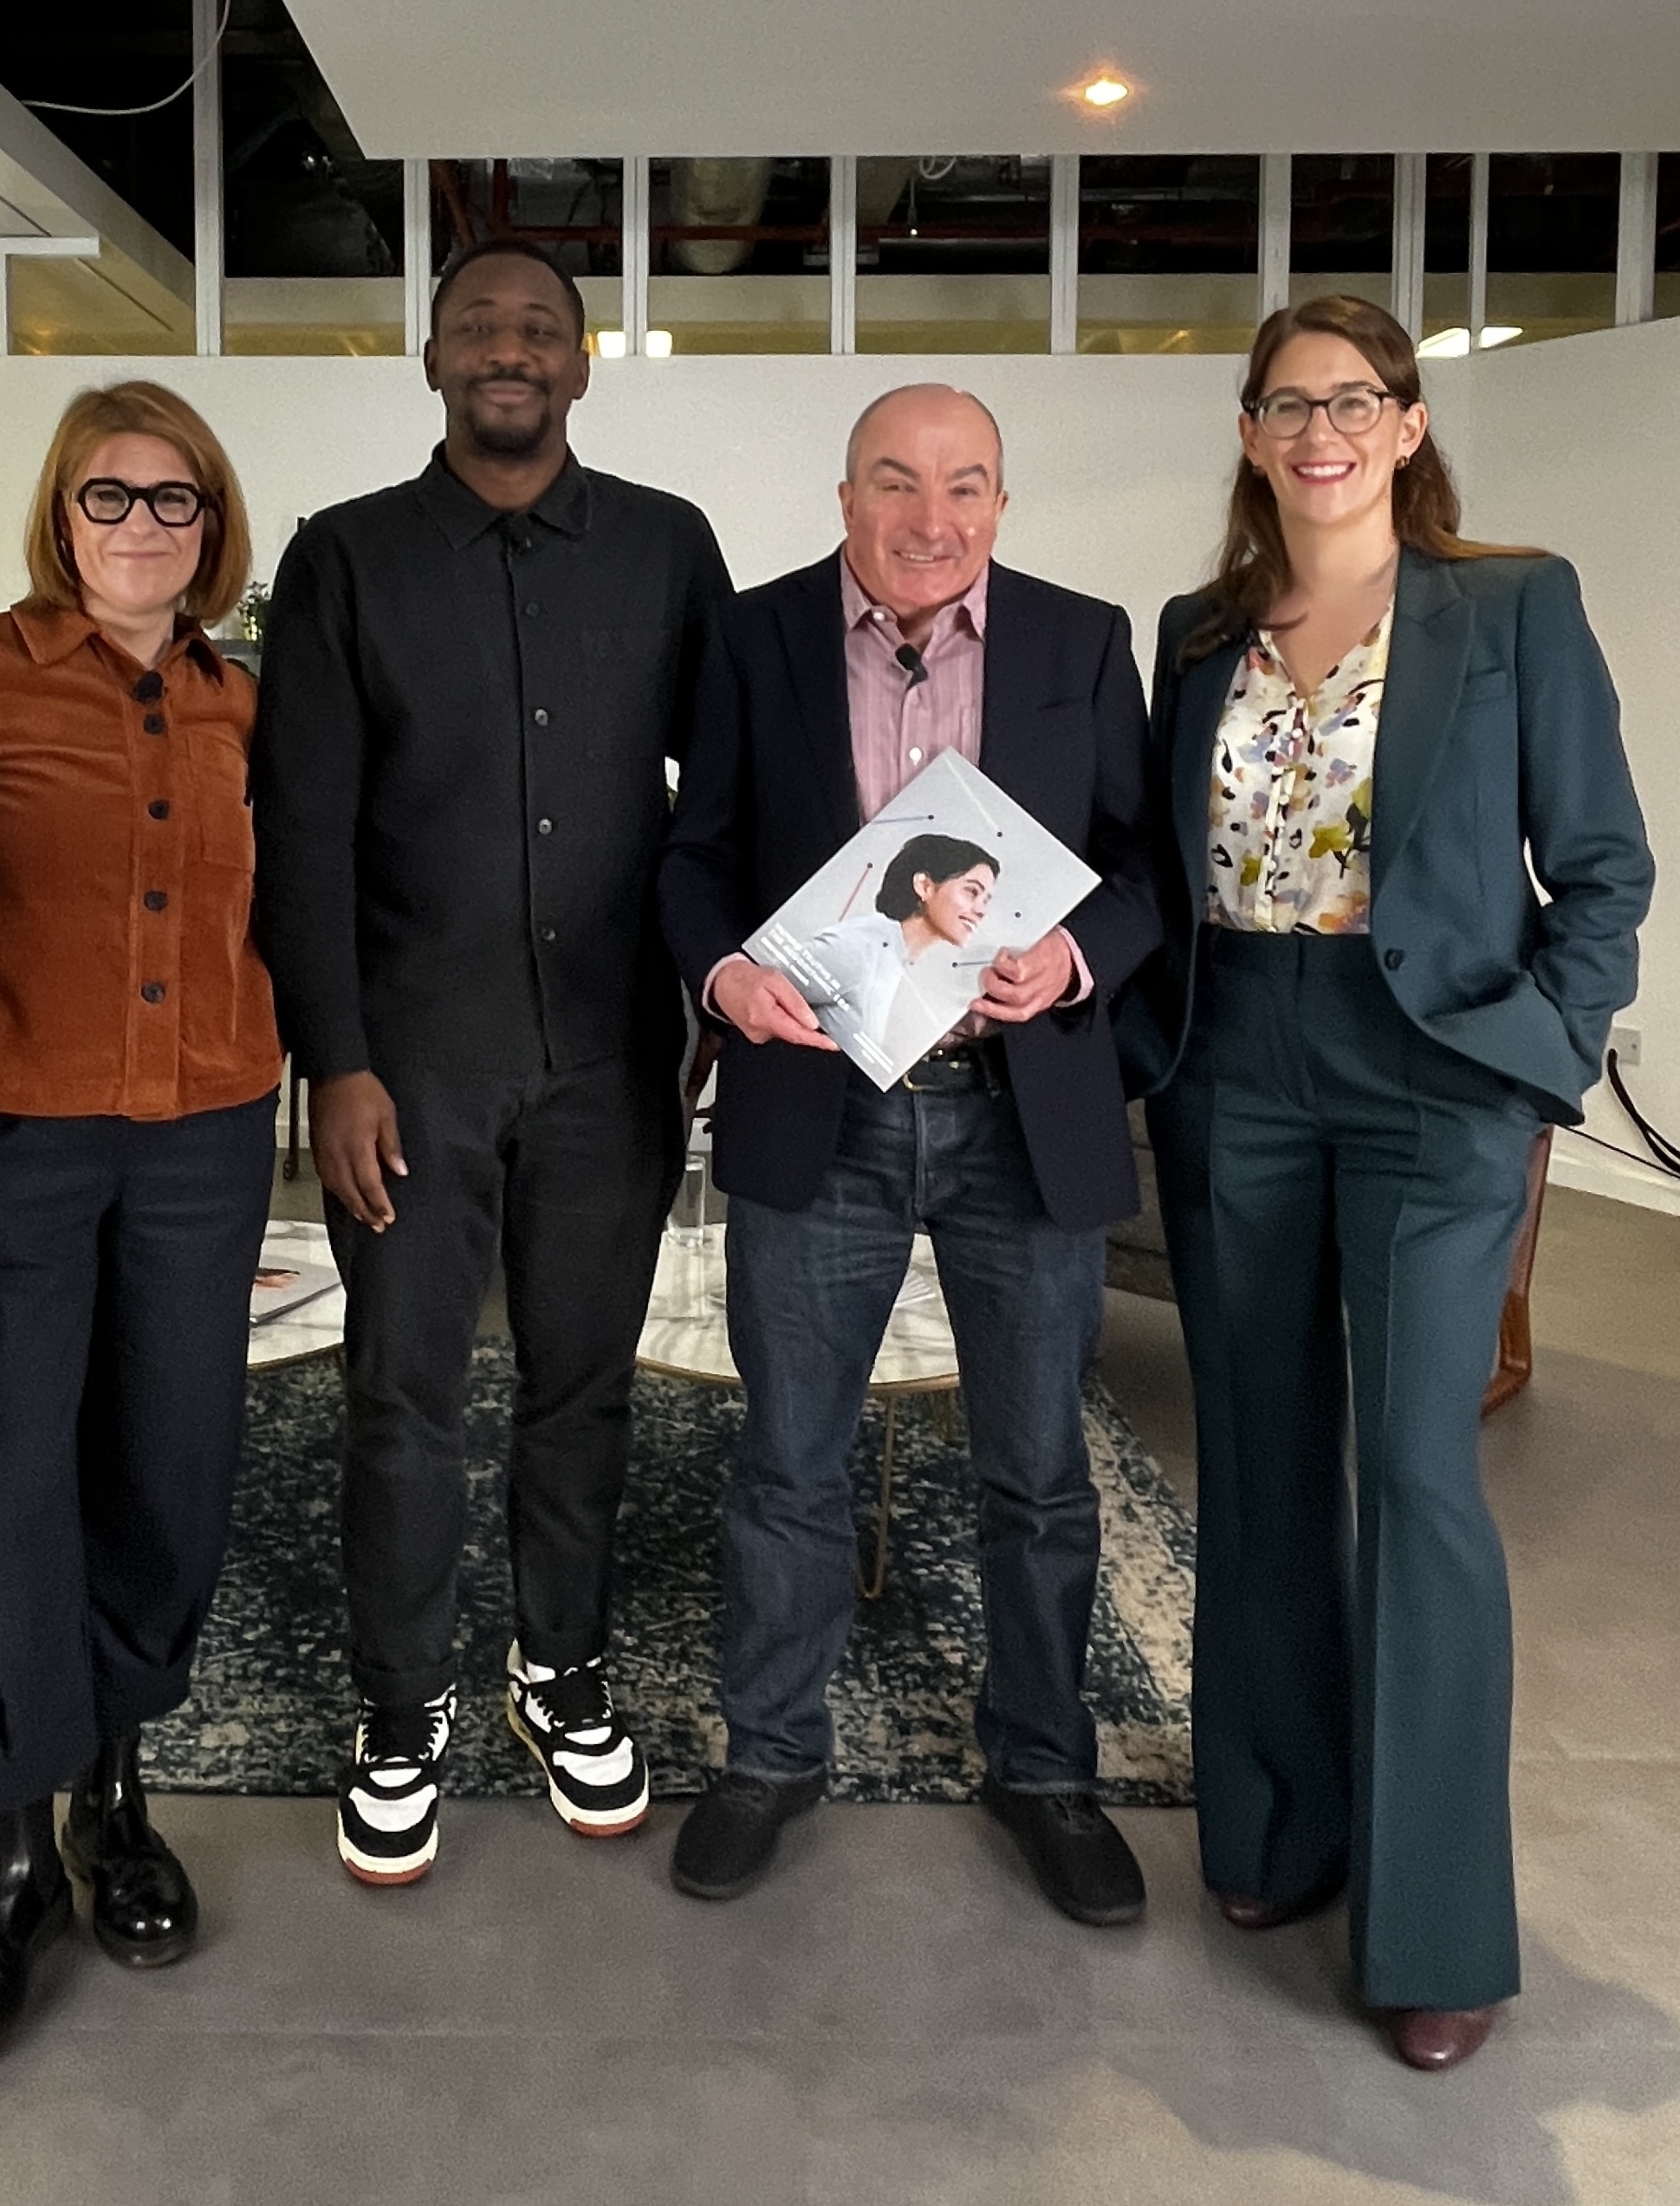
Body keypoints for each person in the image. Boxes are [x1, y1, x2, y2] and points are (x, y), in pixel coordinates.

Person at [1127, 295, 1653, 2072]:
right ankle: (1276, 1826)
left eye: (1352, 398)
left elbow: (1598, 866)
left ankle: (1434, 1919)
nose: (1319, 429)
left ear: (1409, 423)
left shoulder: (1509, 606)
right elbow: (1155, 854)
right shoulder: (1197, 631)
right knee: (1257, 1457)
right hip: (1237, 1062)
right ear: (1251, 429)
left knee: (1417, 1473)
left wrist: (1533, 1054)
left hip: (1431, 1073)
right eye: (1286, 401)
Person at [251, 237, 731, 1885]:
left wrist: (716, 1002)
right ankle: (400, 1706)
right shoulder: (343, 561)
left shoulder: (669, 552)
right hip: (414, 1067)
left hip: (610, 1061)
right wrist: (337, 1062)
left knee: (582, 1388)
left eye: (539, 327)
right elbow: (297, 832)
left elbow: (722, 805)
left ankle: (559, 1669)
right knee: (401, 1394)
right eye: (478, 326)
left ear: (584, 363)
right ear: (433, 358)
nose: (508, 348)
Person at [658, 384, 1162, 1923]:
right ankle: (768, 1754)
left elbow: (1145, 868)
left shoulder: (1081, 640)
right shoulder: (753, 637)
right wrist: (724, 973)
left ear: (1001, 505)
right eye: (895, 481)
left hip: (1022, 1111)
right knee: (788, 1461)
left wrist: (1072, 959)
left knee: (1036, 1473)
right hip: (825, 1106)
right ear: (842, 495)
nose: (928, 518)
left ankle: (1044, 1768)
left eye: (963, 486)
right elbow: (693, 856)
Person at [0, 382, 280, 2066]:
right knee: (18, 1490)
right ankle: (4, 1853)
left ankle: (115, 1791)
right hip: (14, 1143)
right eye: (108, 499)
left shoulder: (242, 703)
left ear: (214, 528)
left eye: (173, 502)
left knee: (172, 1470)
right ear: (59, 516)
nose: (140, 528)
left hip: (204, 1138)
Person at [797, 834, 999, 1069]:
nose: (981, 911)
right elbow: (777, 987)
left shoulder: (892, 953)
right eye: (972, 892)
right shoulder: (860, 947)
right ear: (924, 886)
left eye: (986, 900)